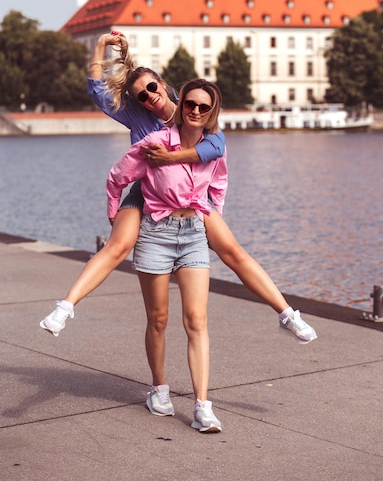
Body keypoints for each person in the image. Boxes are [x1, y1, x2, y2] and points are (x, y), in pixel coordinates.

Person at [40, 31, 316, 343]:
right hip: (147, 192)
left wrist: (171, 158)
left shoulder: (192, 109)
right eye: (141, 95)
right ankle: (65, 307)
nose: (149, 96)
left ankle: (287, 314)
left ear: (163, 84)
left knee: (233, 251)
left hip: (191, 196)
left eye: (152, 88)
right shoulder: (137, 116)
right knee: (117, 245)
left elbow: (215, 148)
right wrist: (101, 45)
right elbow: (96, 89)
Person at [107, 78, 226, 432]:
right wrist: (115, 213)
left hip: (192, 235)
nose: (195, 111)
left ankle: (203, 406)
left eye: (204, 107)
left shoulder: (214, 145)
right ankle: (158, 388)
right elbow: (117, 176)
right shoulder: (154, 141)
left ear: (211, 112)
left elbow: (219, 183)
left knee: (197, 321)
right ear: (181, 101)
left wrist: (212, 215)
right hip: (156, 233)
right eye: (191, 103)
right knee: (158, 319)